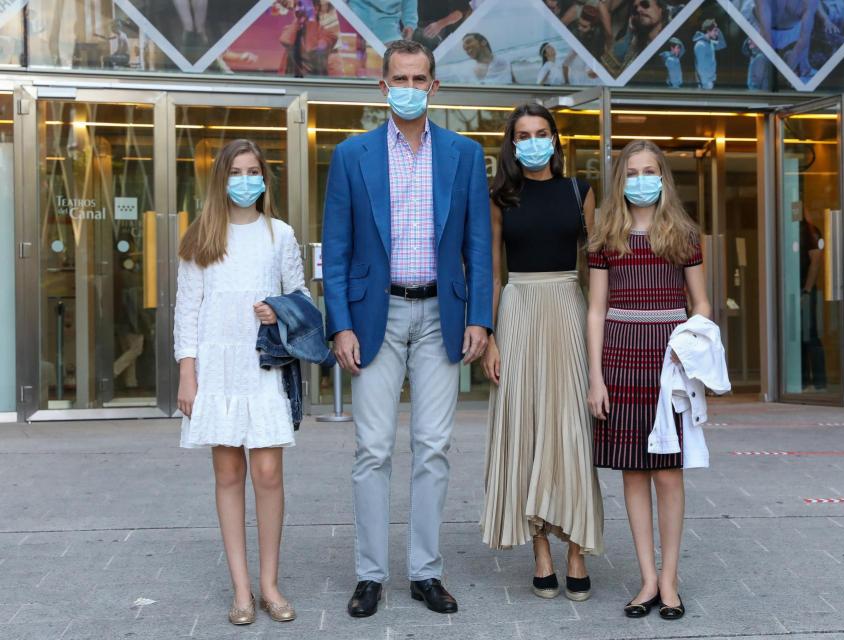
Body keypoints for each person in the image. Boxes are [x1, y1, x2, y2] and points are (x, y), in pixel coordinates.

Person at [322, 39, 492, 619]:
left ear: (435, 87)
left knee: (433, 448)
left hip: (442, 314)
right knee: (371, 449)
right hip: (376, 318)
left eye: (421, 79)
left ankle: (425, 572)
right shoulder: (352, 156)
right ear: (383, 86)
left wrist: (480, 317)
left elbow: (477, 245)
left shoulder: (465, 155)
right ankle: (370, 575)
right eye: (401, 79)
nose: (411, 89)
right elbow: (338, 249)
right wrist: (339, 324)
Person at [174, 139, 308, 626]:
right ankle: (242, 590)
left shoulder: (280, 234)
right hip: (217, 367)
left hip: (263, 366)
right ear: (221, 179)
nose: (246, 180)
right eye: (236, 171)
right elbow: (186, 310)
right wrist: (188, 373)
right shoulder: (201, 237)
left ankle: (271, 583)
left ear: (265, 178)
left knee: (268, 474)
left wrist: (280, 309)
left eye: (254, 171)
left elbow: (301, 296)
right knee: (228, 474)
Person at [481, 103, 604, 601]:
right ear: (512, 143)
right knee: (526, 428)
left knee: (571, 427)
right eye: (522, 134)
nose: (532, 141)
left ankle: (576, 545)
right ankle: (541, 552)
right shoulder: (500, 197)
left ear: (556, 138)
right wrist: (489, 335)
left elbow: (597, 266)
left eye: (541, 132)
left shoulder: (581, 191)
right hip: (517, 311)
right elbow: (492, 271)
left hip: (567, 307)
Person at [587, 139, 710, 621]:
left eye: (650, 170)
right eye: (633, 171)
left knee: (667, 472)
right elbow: (596, 310)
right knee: (633, 471)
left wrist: (692, 354)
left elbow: (700, 303)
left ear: (663, 177)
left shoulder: (683, 234)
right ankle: (647, 579)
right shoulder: (605, 235)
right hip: (619, 359)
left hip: (670, 364)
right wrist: (595, 376)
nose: (641, 178)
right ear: (621, 179)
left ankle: (671, 581)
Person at [799, 213, 827, 390]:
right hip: (794, 292)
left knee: (811, 335)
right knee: (797, 337)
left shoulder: (809, 231)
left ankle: (819, 382)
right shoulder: (793, 230)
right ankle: (803, 382)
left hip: (805, 292)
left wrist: (807, 291)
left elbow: (816, 260)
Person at [348, 0, 417, 44]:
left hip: (388, 27)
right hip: (354, 20)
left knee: (396, 58)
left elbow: (409, 4)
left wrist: (410, 25)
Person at [692, 18, 726, 89]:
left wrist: (717, 29)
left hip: (710, 81)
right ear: (708, 31)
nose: (716, 34)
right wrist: (706, 84)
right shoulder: (701, 45)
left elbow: (722, 44)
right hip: (705, 83)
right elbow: (700, 68)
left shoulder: (710, 42)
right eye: (715, 31)